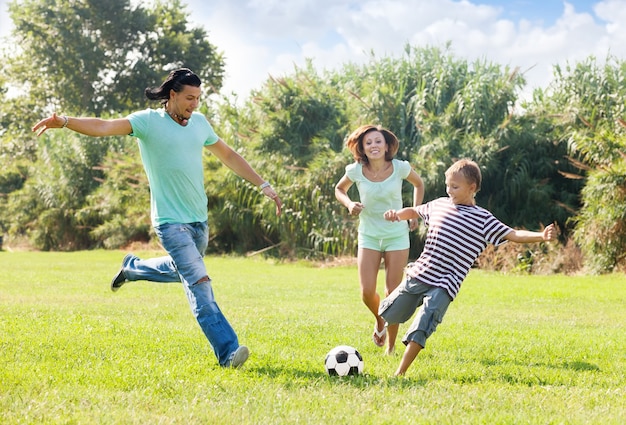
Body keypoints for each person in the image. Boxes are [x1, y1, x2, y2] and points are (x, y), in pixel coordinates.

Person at [32, 68, 282, 369]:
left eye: (198, 99)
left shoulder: (199, 124)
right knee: (199, 281)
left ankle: (133, 268)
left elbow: (228, 156)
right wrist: (65, 122)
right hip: (169, 222)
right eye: (189, 98)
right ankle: (228, 351)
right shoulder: (147, 122)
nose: (195, 105)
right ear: (172, 95)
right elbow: (103, 126)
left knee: (184, 272)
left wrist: (263, 184)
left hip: (198, 220)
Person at [380, 158, 556, 376]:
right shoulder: (439, 204)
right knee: (390, 311)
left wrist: (540, 236)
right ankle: (385, 338)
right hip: (420, 273)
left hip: (445, 284)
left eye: (455, 187)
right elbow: (415, 211)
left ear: (472, 188)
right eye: (448, 185)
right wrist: (397, 215)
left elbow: (513, 234)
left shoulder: (483, 219)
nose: (449, 190)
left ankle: (400, 373)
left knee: (423, 324)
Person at [335, 124, 424, 354]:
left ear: (386, 146)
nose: (373, 146)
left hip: (396, 235)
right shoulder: (356, 170)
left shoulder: (399, 168)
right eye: (368, 143)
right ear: (362, 149)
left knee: (393, 293)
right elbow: (339, 189)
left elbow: (419, 183)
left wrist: (414, 212)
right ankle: (379, 320)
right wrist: (349, 204)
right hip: (369, 235)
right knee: (366, 292)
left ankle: (392, 347)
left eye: (378, 141)